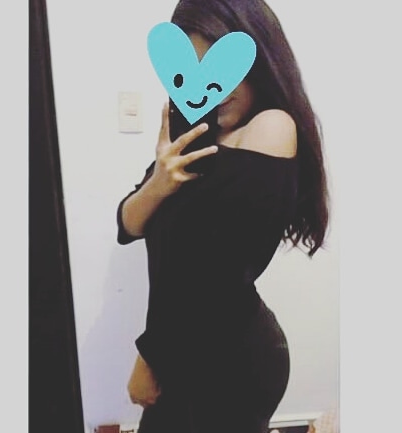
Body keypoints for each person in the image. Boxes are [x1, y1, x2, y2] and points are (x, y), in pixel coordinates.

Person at [116, 0, 329, 432]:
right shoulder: (194, 140)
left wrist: (148, 358)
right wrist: (159, 182)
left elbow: (217, 273)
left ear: (260, 60)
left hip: (230, 356)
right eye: (193, 70)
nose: (212, 86)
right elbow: (127, 223)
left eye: (224, 67)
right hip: (185, 345)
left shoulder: (270, 127)